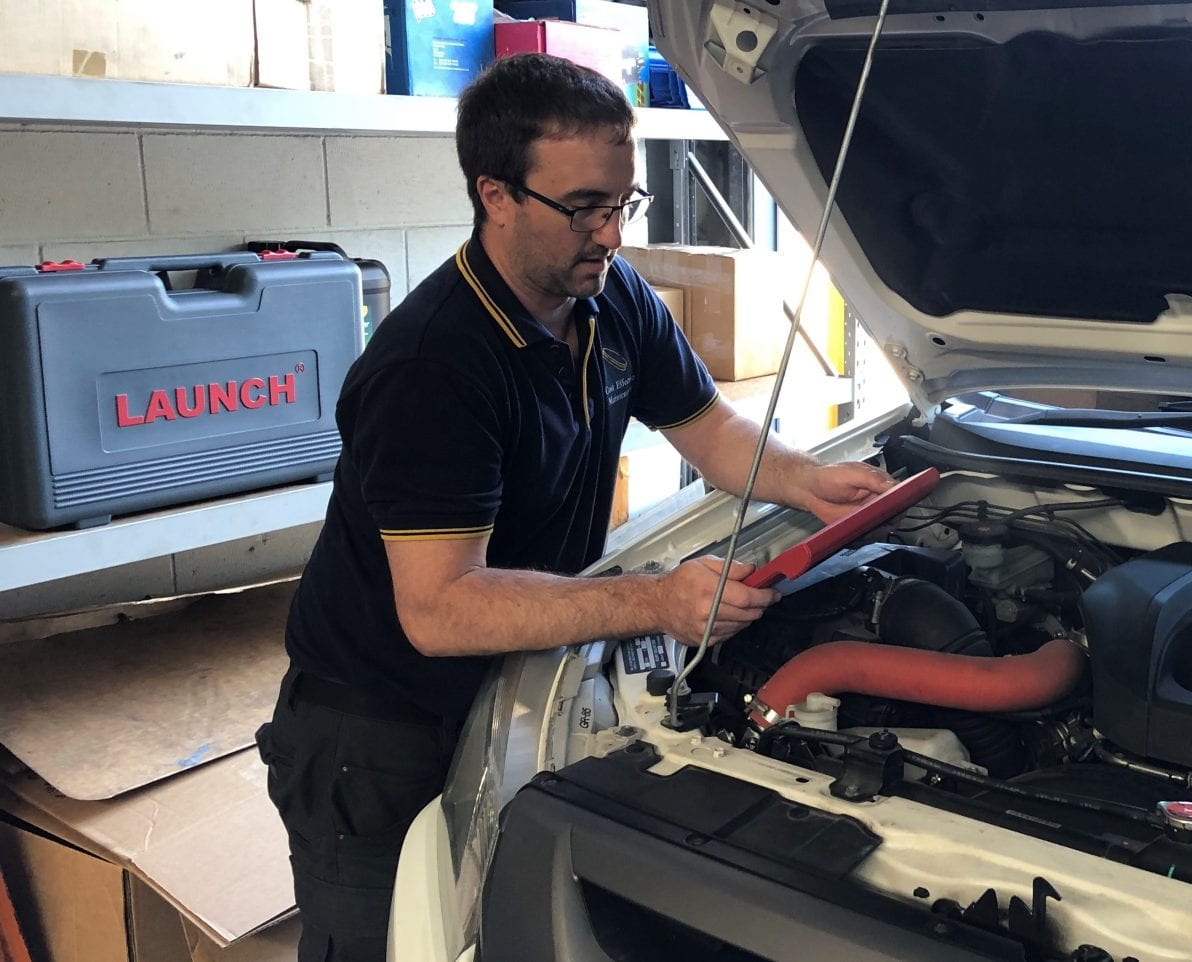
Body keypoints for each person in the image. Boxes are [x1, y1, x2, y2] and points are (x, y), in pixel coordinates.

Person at [254, 53, 893, 962]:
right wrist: (657, 600)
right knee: (394, 942)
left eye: (624, 203)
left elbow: (709, 427)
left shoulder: (607, 294)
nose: (612, 234)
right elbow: (440, 608)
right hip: (378, 733)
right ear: (496, 195)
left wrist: (808, 481)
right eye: (585, 207)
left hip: (515, 679)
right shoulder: (433, 366)